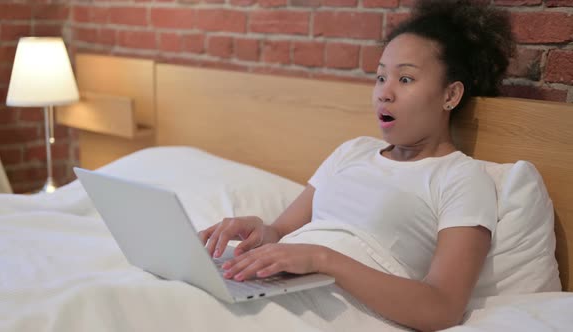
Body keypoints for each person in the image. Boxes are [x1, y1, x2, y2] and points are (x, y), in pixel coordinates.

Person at [199, 0, 515, 330]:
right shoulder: (353, 151)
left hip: (343, 309)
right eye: (380, 77)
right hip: (279, 285)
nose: (384, 93)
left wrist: (321, 259)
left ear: (450, 95)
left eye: (405, 79)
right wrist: (260, 231)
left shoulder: (462, 177)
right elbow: (281, 231)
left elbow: (442, 308)